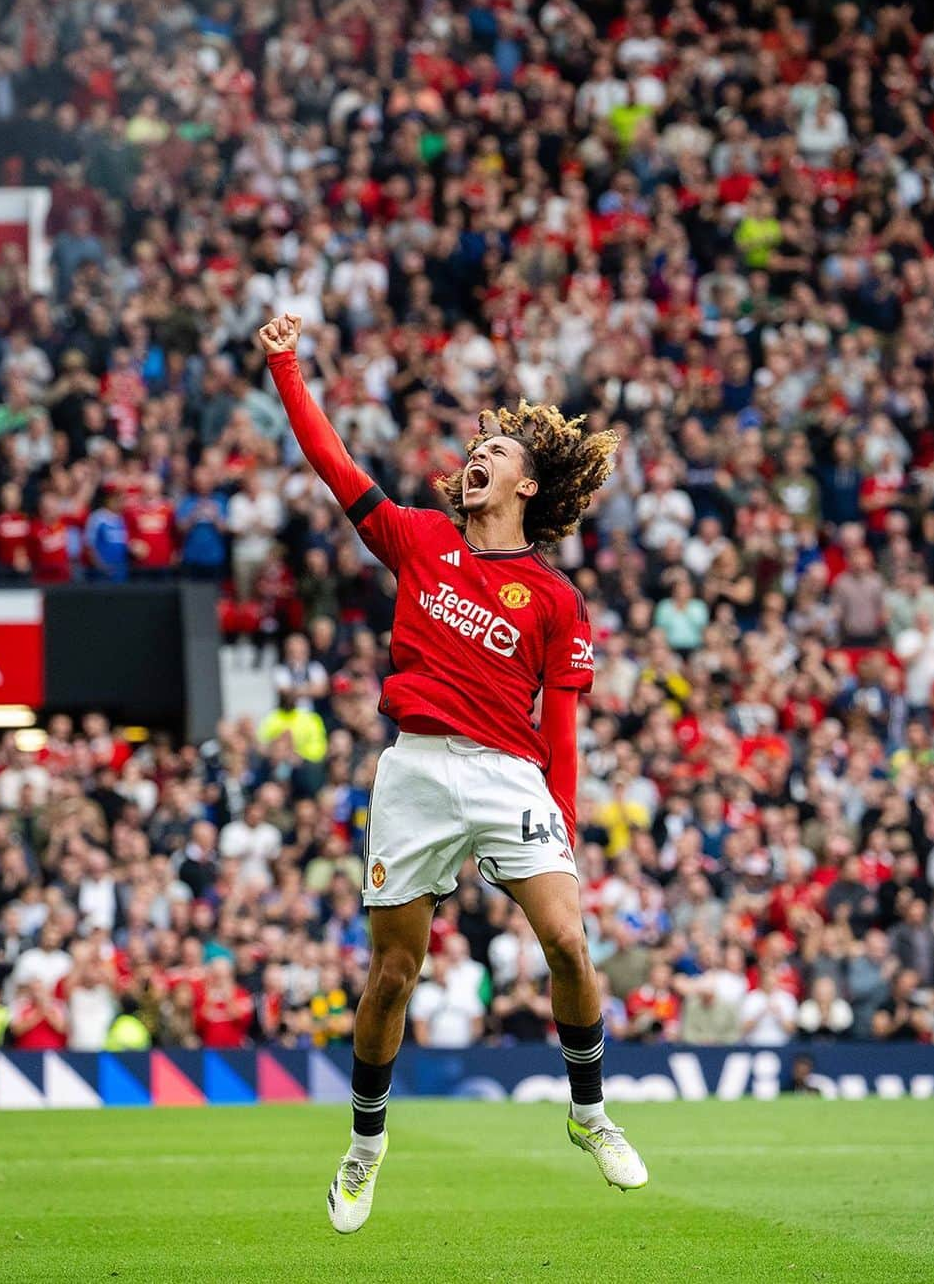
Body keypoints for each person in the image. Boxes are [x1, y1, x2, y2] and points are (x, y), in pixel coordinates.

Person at [259, 312, 646, 1234]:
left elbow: (564, 724)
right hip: (417, 774)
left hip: (512, 778)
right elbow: (334, 464)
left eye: (499, 447)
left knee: (567, 940)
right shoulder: (419, 539)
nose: (481, 451)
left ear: (527, 481)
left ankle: (590, 1113)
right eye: (480, 443)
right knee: (394, 972)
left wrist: (565, 818)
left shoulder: (555, 597)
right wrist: (286, 366)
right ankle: (364, 1148)